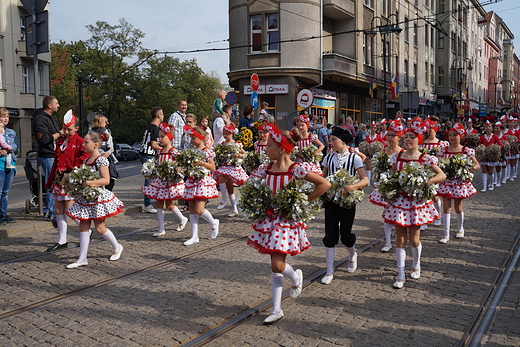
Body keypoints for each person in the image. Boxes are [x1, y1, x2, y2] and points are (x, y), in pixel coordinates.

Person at [247, 123, 330, 324]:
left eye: (269, 146)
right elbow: (251, 185)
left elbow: (324, 184)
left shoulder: (296, 169)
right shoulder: (265, 168)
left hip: (286, 221)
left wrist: (302, 201)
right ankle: (276, 308)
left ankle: (295, 278)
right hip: (269, 220)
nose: (265, 149)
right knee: (274, 266)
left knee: (277, 264)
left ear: (281, 148)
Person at [382, 118, 446, 289]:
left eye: (412, 137)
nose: (408, 140)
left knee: (414, 238)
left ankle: (416, 264)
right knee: (400, 238)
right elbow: (392, 176)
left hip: (416, 203)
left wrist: (426, 182)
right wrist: (388, 189)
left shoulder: (425, 158)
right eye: (406, 137)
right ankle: (400, 274)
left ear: (419, 139)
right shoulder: (397, 157)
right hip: (400, 201)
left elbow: (442, 175)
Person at [66, 132, 125, 268]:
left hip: (97, 197)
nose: (83, 144)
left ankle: (117, 246)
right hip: (86, 197)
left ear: (96, 145)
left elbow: (106, 179)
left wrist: (89, 183)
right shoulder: (86, 160)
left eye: (86, 142)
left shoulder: (101, 159)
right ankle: (82, 258)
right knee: (83, 226)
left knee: (99, 228)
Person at [320, 126, 368, 285]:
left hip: (348, 201)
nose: (331, 142)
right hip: (331, 201)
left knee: (346, 235)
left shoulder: (354, 158)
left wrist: (351, 187)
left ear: (343, 141)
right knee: (330, 234)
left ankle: (352, 254)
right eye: (331, 139)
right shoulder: (328, 157)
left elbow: (365, 180)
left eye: (334, 140)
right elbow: (323, 177)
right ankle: (329, 270)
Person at [45, 110, 89, 252]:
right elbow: (56, 162)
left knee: (70, 210)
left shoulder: (81, 141)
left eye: (69, 129)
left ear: (76, 128)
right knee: (59, 209)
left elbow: (85, 157)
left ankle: (86, 230)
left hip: (71, 178)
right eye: (64, 128)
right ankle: (62, 240)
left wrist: (69, 167)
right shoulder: (59, 143)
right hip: (59, 179)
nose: (65, 131)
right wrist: (50, 180)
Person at [141, 123, 188, 237]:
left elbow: (182, 166)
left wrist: (175, 170)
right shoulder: (160, 152)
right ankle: (161, 228)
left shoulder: (174, 151)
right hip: (160, 181)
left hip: (170, 181)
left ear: (170, 137)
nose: (159, 139)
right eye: (159, 137)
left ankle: (182, 218)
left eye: (162, 137)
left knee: (170, 205)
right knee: (159, 204)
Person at [437, 123, 479, 243]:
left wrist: (464, 169)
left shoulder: (466, 151)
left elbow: (477, 165)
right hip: (446, 182)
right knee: (446, 206)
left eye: (455, 135)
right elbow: (436, 163)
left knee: (458, 207)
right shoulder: (443, 150)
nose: (452, 137)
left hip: (459, 182)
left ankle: (460, 228)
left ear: (460, 136)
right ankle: (446, 234)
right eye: (450, 135)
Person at [369, 119, 404, 252]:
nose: (389, 138)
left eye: (392, 135)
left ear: (399, 136)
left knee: (397, 212)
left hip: (398, 185)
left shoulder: (402, 152)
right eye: (388, 135)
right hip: (385, 184)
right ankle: (388, 242)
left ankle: (400, 238)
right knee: (387, 212)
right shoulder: (383, 151)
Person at [181, 125, 220, 245]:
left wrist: (201, 163)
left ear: (200, 138)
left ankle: (213, 222)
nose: (191, 141)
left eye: (193, 138)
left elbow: (213, 167)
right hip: (192, 181)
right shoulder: (191, 152)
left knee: (199, 209)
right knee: (191, 208)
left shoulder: (207, 151)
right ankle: (194, 236)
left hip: (203, 182)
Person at [32, 95, 62, 225]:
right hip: (47, 155)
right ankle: (50, 211)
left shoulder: (52, 117)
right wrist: (60, 133)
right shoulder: (40, 119)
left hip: (55, 154)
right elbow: (43, 139)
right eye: (56, 103)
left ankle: (53, 211)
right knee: (51, 183)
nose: (58, 105)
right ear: (49, 106)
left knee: (55, 183)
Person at [214, 123, 248, 216]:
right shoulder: (222, 144)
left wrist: (237, 156)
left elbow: (245, 154)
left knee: (225, 182)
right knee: (227, 185)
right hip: (225, 166)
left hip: (233, 167)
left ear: (232, 133)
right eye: (224, 134)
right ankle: (231, 206)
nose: (225, 136)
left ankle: (226, 202)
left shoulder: (236, 144)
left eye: (227, 134)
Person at [138, 106, 164, 213]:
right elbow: (153, 144)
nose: (163, 116)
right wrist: (163, 149)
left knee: (152, 178)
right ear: (159, 115)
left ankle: (151, 200)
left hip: (145, 154)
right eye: (162, 114)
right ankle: (147, 204)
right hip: (148, 155)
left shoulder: (150, 126)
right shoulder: (154, 128)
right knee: (149, 179)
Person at [89, 114, 117, 191]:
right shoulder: (105, 132)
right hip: (104, 154)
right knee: (108, 176)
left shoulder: (90, 131)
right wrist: (108, 152)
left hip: (94, 154)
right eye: (106, 122)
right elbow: (110, 146)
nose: (107, 123)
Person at [0, 109, 18, 225]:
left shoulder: (12, 132)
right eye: (3, 116)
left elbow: (16, 145)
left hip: (10, 164)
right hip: (0, 164)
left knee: (5, 192)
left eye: (7, 116)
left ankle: (4, 214)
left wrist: (9, 147)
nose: (6, 119)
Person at [478, 120, 503, 192]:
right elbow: (480, 145)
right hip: (484, 156)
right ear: (484, 128)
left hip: (492, 156)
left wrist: (496, 148)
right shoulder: (482, 137)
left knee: (490, 171)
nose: (488, 128)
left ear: (491, 128)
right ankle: (484, 187)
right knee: (484, 170)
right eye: (486, 127)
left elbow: (501, 144)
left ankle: (491, 184)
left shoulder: (494, 136)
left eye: (489, 126)